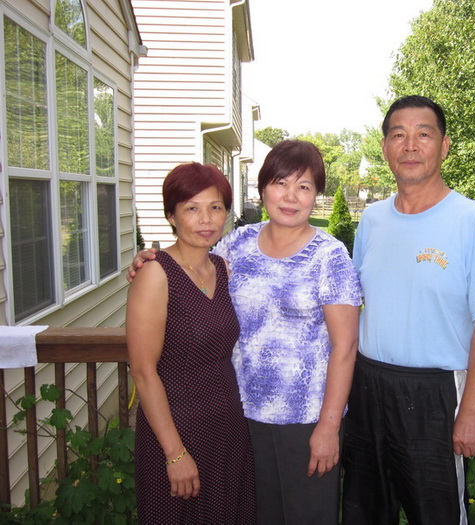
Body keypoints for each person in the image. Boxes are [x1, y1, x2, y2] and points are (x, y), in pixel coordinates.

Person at [129, 141, 362, 524]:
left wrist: (329, 425)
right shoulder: (236, 246)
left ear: (316, 194)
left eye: (304, 186)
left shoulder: (330, 256)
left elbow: (346, 347)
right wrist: (148, 261)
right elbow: (189, 267)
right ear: (263, 189)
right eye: (280, 183)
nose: (291, 196)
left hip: (305, 420)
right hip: (242, 417)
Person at [341, 95, 475, 525]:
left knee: (436, 514)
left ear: (444, 146)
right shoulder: (372, 220)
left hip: (437, 393)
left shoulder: (473, 219)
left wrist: (471, 412)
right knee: (365, 512)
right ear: (385, 147)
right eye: (398, 135)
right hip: (368, 386)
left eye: (423, 134)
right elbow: (352, 302)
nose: (410, 146)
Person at [127, 162, 256, 523]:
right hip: (175, 428)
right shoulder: (156, 274)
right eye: (192, 208)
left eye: (215, 207)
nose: (206, 219)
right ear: (171, 215)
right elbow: (143, 371)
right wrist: (174, 453)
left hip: (228, 425)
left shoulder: (223, 268)